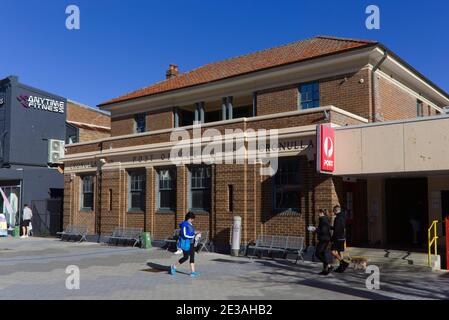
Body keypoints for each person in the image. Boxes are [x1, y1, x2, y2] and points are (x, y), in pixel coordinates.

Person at [170, 212, 200, 277]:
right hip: (186, 243)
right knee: (186, 257)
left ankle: (193, 272)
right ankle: (174, 267)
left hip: (191, 243)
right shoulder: (184, 224)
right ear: (189, 218)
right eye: (192, 219)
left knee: (192, 257)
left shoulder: (190, 224)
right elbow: (184, 234)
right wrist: (193, 235)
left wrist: (195, 232)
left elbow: (191, 232)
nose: (193, 220)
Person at [330, 205, 349, 273]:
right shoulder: (343, 217)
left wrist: (332, 238)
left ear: (336, 210)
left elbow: (337, 230)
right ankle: (341, 267)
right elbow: (340, 228)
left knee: (333, 251)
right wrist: (331, 227)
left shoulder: (337, 218)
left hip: (337, 238)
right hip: (342, 237)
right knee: (339, 252)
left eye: (333, 210)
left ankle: (343, 263)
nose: (333, 212)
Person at [314, 209, 333, 275]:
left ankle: (329, 266)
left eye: (318, 213)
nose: (317, 214)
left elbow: (323, 231)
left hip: (323, 239)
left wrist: (315, 229)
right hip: (326, 239)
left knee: (317, 253)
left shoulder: (323, 219)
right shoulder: (325, 219)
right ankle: (325, 270)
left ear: (322, 213)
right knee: (322, 254)